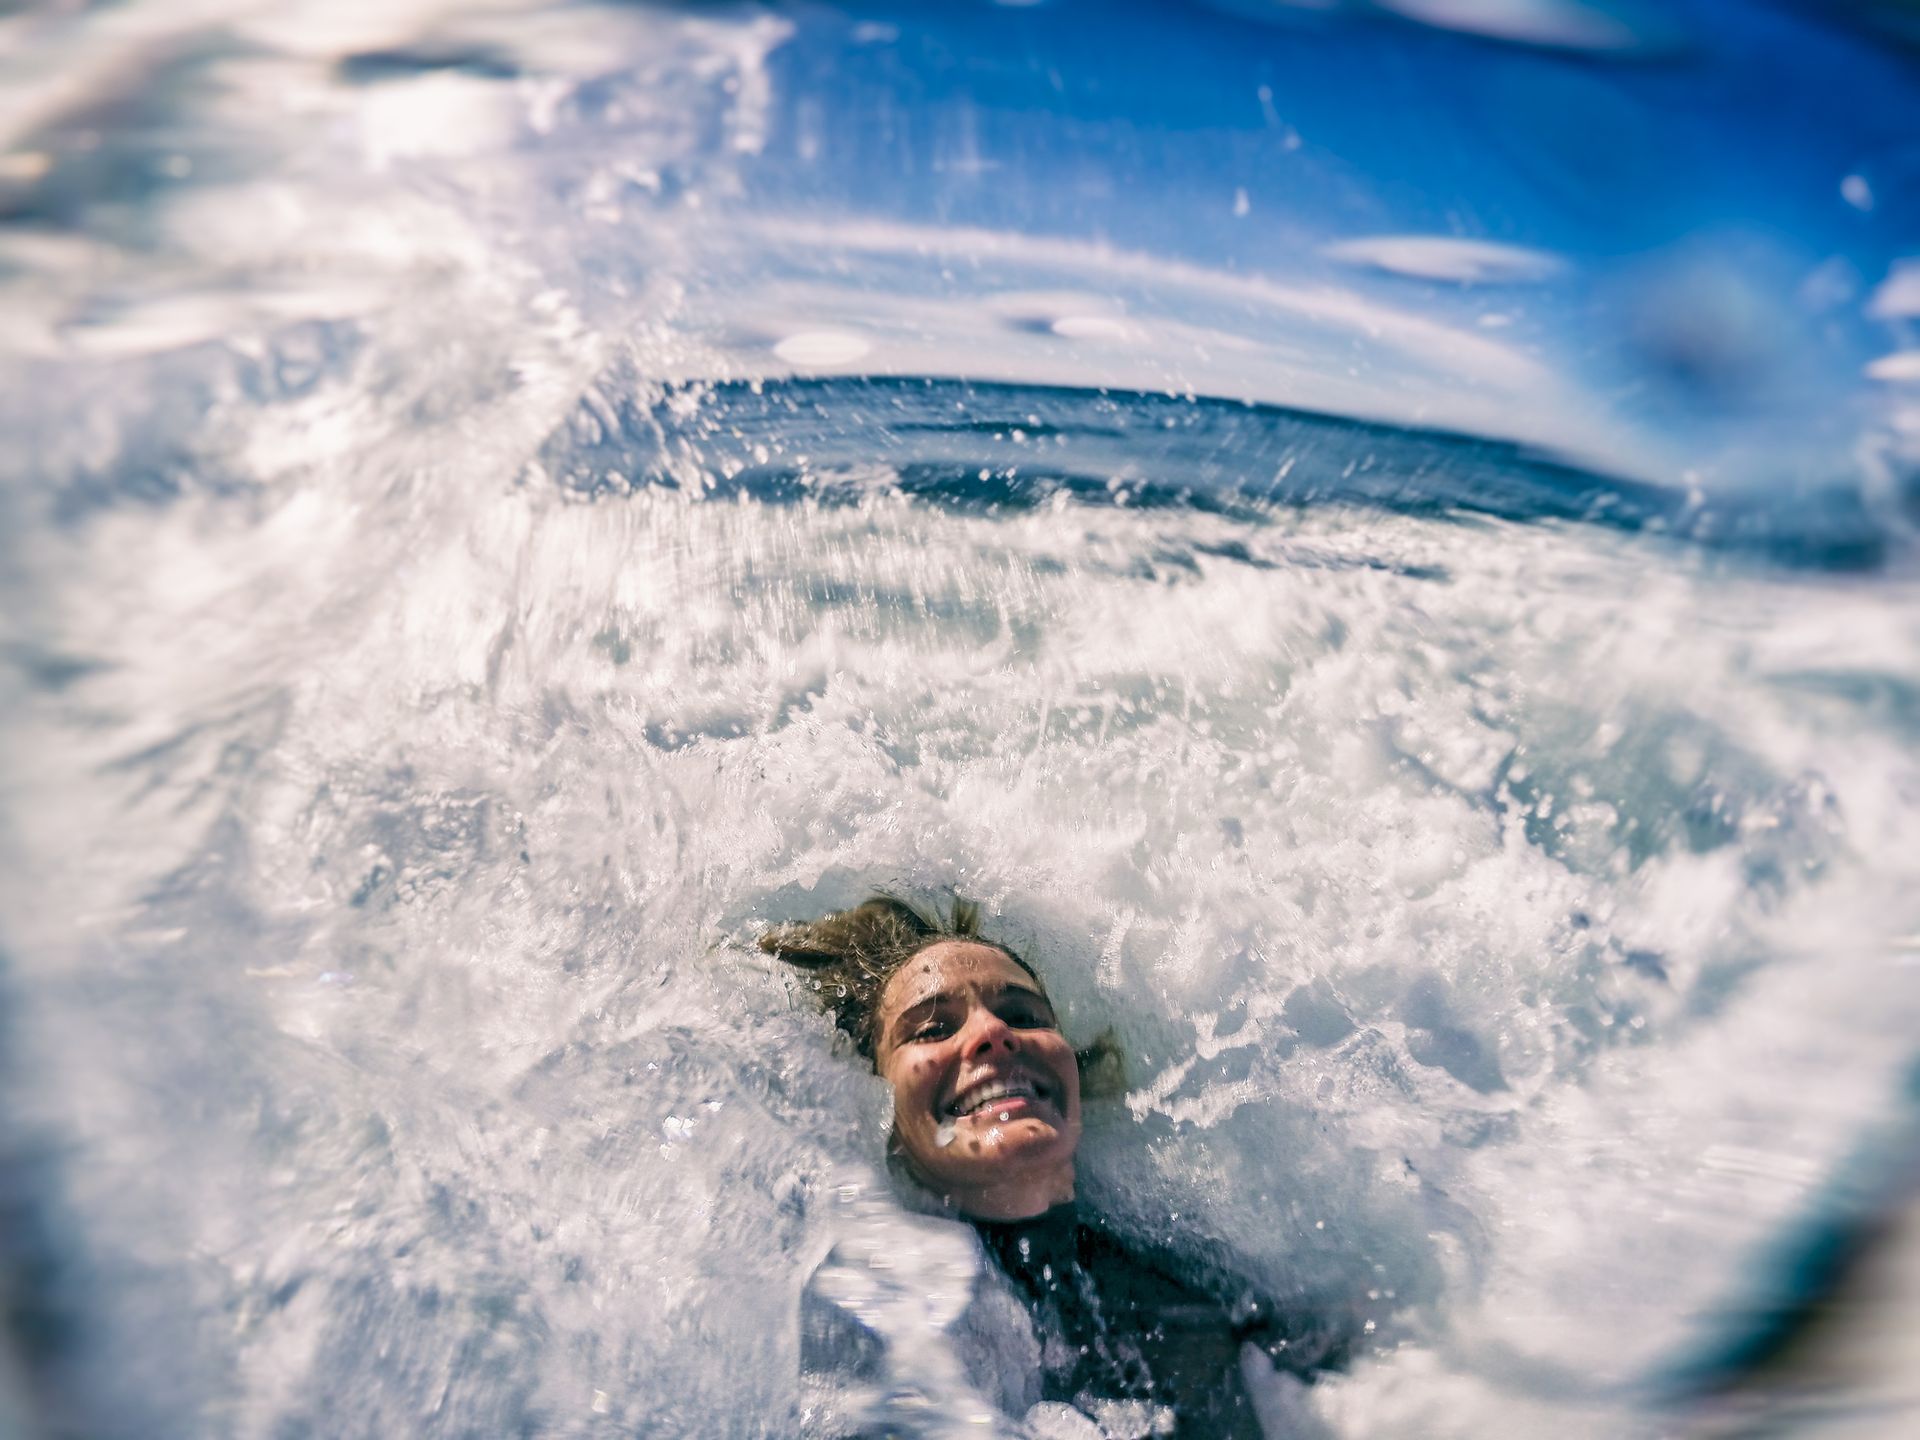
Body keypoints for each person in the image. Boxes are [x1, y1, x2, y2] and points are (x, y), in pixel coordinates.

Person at [762, 896, 1352, 1439]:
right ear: (870, 1100)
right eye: (933, 1029)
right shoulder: (855, 1330)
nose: (993, 1033)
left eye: (1022, 1015)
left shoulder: (1202, 1279)